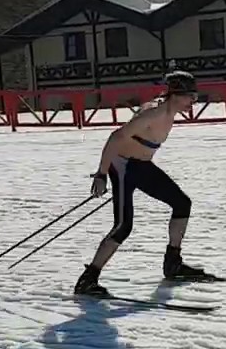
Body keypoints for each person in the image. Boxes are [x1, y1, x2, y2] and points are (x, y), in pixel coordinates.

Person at [74, 70, 212, 297]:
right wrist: (101, 175)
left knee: (181, 203)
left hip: (141, 167)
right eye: (191, 97)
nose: (193, 102)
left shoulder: (168, 111)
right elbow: (115, 138)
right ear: (176, 95)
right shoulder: (153, 114)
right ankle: (87, 280)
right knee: (123, 226)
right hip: (123, 167)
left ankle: (173, 264)